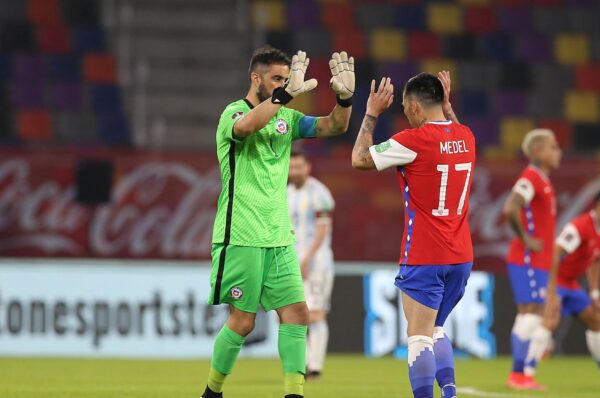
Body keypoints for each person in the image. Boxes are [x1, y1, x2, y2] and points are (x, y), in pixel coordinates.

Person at [202, 47, 354, 398]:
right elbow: (245, 127)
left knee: (297, 314)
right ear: (256, 78)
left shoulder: (286, 118)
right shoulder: (233, 112)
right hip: (240, 235)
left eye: (287, 80)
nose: (285, 85)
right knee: (242, 322)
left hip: (279, 238)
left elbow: (334, 125)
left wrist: (344, 99)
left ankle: (294, 394)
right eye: (277, 79)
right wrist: (284, 96)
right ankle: (212, 392)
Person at [351, 71, 474, 398]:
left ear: (417, 107)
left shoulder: (413, 140)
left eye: (406, 108)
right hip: (461, 256)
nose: (406, 114)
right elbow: (455, 131)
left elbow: (359, 159)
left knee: (418, 336)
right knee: (435, 329)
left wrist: (371, 114)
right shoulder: (467, 137)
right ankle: (449, 392)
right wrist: (447, 108)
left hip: (425, 254)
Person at [502, 129, 562, 390]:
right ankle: (518, 375)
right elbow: (510, 207)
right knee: (530, 314)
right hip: (527, 258)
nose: (557, 151)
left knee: (532, 314)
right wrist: (525, 238)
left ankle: (524, 374)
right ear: (538, 151)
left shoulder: (544, 180)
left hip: (537, 261)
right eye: (553, 146)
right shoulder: (531, 177)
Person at [522, 193, 600, 387]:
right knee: (550, 320)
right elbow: (556, 250)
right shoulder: (581, 226)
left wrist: (595, 293)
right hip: (557, 280)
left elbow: (593, 262)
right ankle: (525, 374)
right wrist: (551, 289)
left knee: (595, 321)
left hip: (571, 283)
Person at [288, 151, 336, 380]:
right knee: (290, 315)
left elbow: (322, 229)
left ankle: (315, 367)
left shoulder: (320, 194)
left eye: (299, 167)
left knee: (315, 314)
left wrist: (306, 259)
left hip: (317, 264)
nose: (295, 172)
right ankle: (304, 364)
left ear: (308, 167)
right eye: (292, 167)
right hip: (291, 262)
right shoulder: (285, 193)